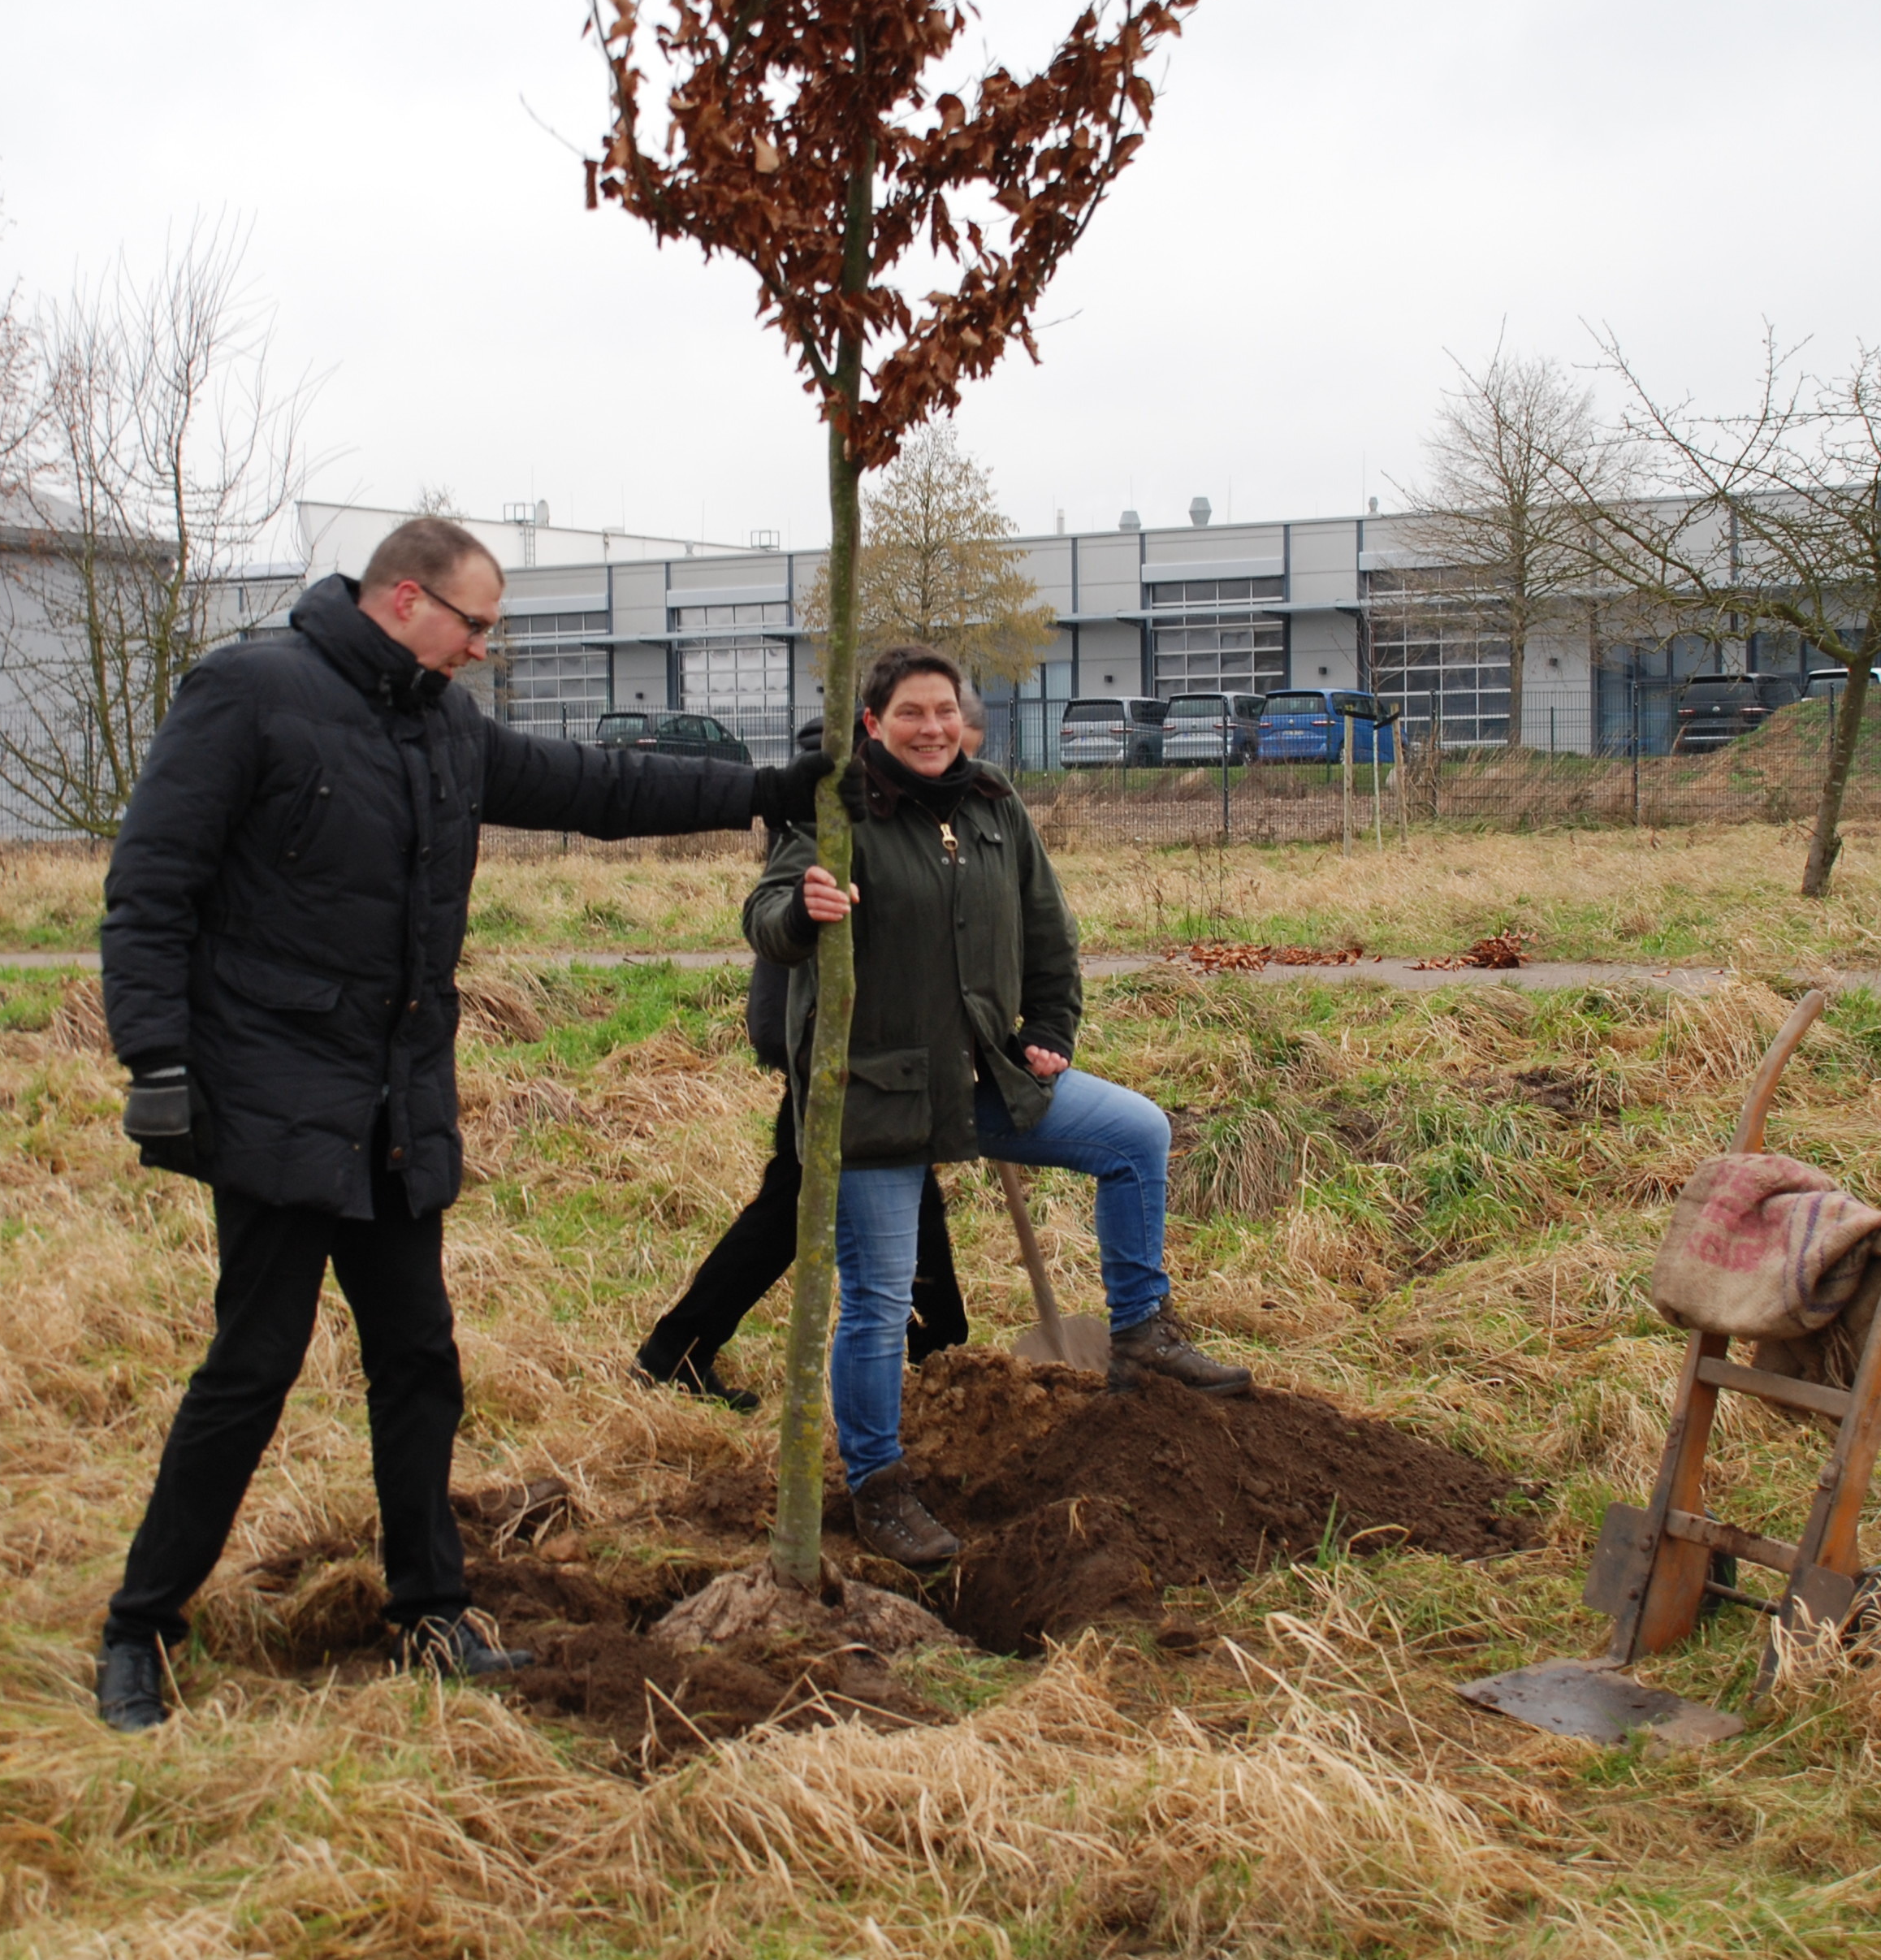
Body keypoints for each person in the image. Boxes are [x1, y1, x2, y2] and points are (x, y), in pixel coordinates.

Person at [94, 516, 832, 1730]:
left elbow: (590, 786)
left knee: (421, 1366)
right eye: (476, 624)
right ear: (402, 601)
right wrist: (158, 1062)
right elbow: (152, 883)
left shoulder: (439, 723)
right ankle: (141, 1628)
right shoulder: (248, 694)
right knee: (252, 1368)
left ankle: (431, 1611)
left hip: (397, 1106)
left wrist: (760, 790)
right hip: (276, 1096)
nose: (487, 650)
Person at [744, 644, 1251, 1568]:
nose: (931, 728)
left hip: (983, 1073)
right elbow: (766, 923)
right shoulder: (833, 812)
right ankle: (879, 1487)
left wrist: (1049, 1025)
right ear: (872, 724)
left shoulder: (991, 805)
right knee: (878, 1300)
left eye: (944, 711)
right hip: (873, 1095)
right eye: (910, 713)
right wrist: (802, 910)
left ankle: (1140, 1332)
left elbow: (1046, 929)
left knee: (1138, 1133)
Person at [633, 704, 984, 1408]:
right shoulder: (844, 793)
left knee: (821, 1196)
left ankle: (937, 1347)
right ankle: (939, 1351)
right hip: (826, 1034)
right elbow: (793, 916)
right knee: (806, 1198)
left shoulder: (899, 790)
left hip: (868, 1046)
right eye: (946, 742)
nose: (950, 760)